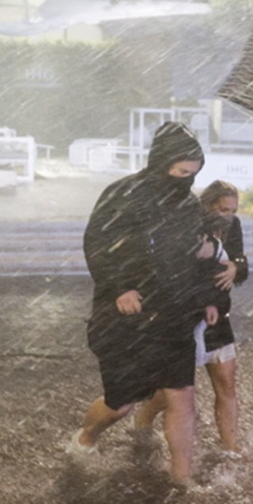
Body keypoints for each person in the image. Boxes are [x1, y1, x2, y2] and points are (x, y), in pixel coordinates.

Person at [71, 121, 222, 484]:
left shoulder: (187, 206)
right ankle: (85, 437)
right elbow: (96, 244)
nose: (187, 180)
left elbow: (194, 258)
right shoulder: (122, 195)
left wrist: (206, 297)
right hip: (127, 320)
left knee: (182, 397)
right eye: (181, 172)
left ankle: (182, 479)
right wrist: (120, 287)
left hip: (173, 316)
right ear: (161, 163)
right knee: (120, 404)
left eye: (194, 174)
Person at [134, 180, 248, 453]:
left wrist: (236, 266)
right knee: (175, 390)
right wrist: (204, 300)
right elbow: (181, 274)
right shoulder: (189, 227)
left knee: (227, 383)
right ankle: (144, 417)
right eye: (222, 209)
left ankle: (231, 449)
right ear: (207, 206)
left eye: (232, 210)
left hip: (219, 316)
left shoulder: (234, 226)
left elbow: (241, 263)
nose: (228, 215)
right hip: (187, 316)